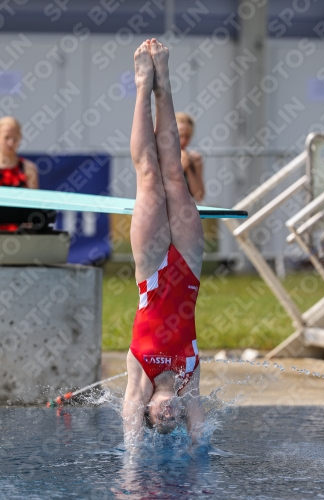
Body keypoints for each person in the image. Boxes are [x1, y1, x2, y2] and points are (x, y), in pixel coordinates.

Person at [123, 39, 206, 444]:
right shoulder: (189, 379)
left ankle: (143, 84)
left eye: (161, 418)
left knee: (149, 177)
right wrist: (195, 448)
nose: (169, 415)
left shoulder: (140, 376)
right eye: (175, 419)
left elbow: (129, 425)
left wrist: (132, 468)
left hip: (153, 269)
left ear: (148, 412)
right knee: (175, 173)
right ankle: (165, 83)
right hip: (189, 266)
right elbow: (200, 433)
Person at [0, 116, 39, 231]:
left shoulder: (28, 168)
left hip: (18, 234)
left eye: (15, 138)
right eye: (6, 137)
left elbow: (34, 206)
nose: (11, 142)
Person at [175, 112, 205, 203]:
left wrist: (188, 169)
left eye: (187, 136)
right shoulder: (159, 157)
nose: (183, 140)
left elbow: (199, 195)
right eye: (180, 135)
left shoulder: (194, 159)